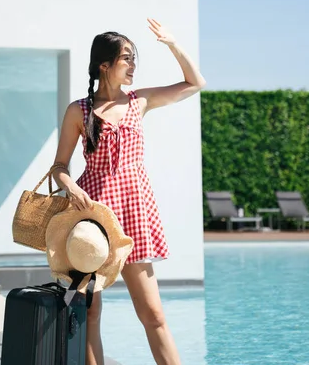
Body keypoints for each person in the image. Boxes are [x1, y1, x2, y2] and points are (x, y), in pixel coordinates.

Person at [51, 18, 206, 365]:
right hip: (91, 223)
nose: (133, 65)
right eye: (127, 58)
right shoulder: (79, 110)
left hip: (134, 217)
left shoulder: (140, 102)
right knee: (90, 315)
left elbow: (196, 83)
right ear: (105, 65)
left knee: (154, 316)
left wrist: (172, 44)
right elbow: (59, 166)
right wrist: (71, 187)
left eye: (134, 58)